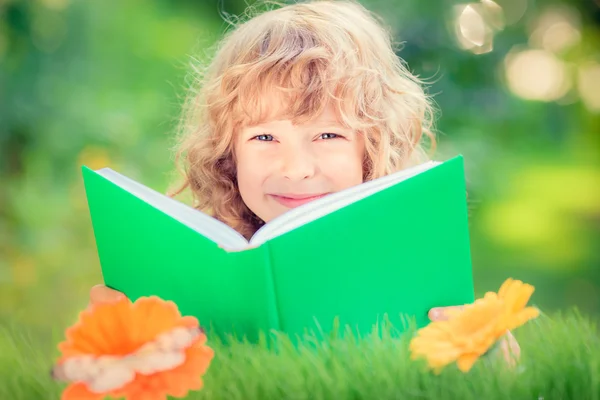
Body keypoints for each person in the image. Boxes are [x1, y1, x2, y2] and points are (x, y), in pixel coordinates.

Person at [88, 0, 520, 363]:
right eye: (264, 136)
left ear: (372, 146)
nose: (296, 168)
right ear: (228, 153)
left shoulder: (417, 270)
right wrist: (118, 350)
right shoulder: (192, 267)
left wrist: (496, 361)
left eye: (328, 134)